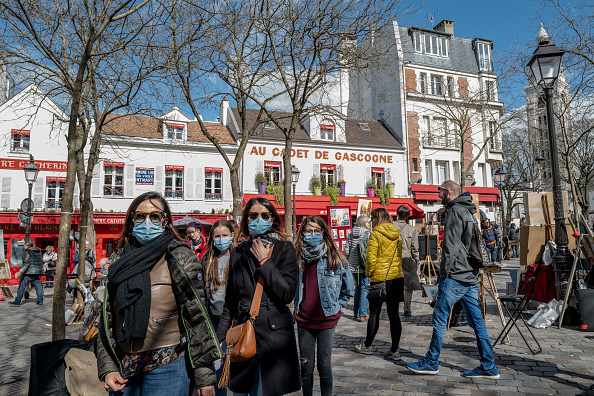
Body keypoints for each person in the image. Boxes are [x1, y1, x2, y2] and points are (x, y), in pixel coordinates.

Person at [96, 191, 221, 396]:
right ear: (131, 221)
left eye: (155, 216)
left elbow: (198, 319)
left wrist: (204, 376)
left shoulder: (180, 256)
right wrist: (107, 368)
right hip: (124, 368)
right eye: (140, 216)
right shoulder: (118, 261)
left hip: (168, 366)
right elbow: (106, 320)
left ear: (165, 222)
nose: (147, 222)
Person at [407, 180, 499, 379]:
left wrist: (443, 273)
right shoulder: (470, 211)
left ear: (447, 192)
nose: (438, 194)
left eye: (439, 191)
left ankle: (432, 362)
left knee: (440, 318)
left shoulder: (455, 211)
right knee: (477, 323)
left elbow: (451, 247)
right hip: (470, 275)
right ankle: (488, 365)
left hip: (455, 275)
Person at [216, 197, 301, 396]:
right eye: (253, 215)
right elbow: (230, 301)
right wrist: (219, 340)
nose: (259, 219)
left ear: (272, 219)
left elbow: (287, 293)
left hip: (274, 338)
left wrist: (264, 261)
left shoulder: (284, 248)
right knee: (242, 392)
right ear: (246, 220)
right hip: (243, 333)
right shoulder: (238, 252)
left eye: (264, 215)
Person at [294, 215, 354, 396]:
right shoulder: (297, 256)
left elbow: (348, 288)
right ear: (302, 233)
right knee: (306, 367)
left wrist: (337, 308)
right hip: (304, 320)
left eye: (317, 231)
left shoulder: (335, 256)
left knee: (324, 367)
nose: (312, 234)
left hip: (327, 319)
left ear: (324, 232)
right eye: (308, 231)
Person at [355, 207, 403, 361]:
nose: (371, 221)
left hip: (380, 277)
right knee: (394, 314)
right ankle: (395, 350)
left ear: (377, 219)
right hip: (396, 277)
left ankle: (368, 345)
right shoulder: (396, 234)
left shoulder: (375, 234)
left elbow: (370, 258)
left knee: (374, 312)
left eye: (373, 218)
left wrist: (369, 274)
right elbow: (399, 256)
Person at [202, 219, 237, 396]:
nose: (221, 239)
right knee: (217, 364)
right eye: (217, 236)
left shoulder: (238, 256)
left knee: (237, 367)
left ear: (232, 236)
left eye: (225, 235)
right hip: (213, 319)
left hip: (234, 321)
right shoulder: (208, 258)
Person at [393, 205, 421, 317]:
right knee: (408, 284)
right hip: (406, 258)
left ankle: (394, 306)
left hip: (392, 258)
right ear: (408, 216)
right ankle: (407, 308)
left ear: (397, 214)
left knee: (393, 283)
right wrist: (416, 259)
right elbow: (415, 247)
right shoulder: (412, 229)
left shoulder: (390, 226)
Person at [345, 215, 371, 321]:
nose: (369, 224)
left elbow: (346, 251)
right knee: (364, 288)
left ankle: (355, 312)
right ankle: (363, 314)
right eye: (368, 222)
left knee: (358, 288)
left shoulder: (351, 233)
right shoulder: (367, 233)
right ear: (364, 223)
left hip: (353, 265)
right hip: (364, 265)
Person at [9, 241, 44, 306]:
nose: (24, 247)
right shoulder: (38, 252)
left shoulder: (28, 251)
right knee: (38, 287)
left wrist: (20, 271)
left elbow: (26, 263)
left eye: (24, 246)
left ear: (27, 246)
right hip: (36, 272)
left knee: (22, 286)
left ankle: (17, 301)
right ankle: (40, 301)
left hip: (28, 272)